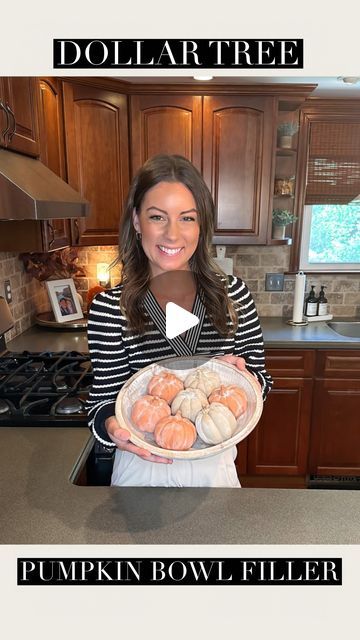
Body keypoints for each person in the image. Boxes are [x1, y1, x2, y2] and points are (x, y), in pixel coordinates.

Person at [86, 154, 273, 487]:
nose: (173, 234)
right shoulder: (109, 308)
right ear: (137, 221)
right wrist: (114, 430)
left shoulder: (233, 296)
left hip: (214, 467)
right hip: (141, 469)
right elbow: (102, 402)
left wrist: (237, 377)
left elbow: (261, 380)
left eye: (187, 218)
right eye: (158, 216)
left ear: (201, 227)